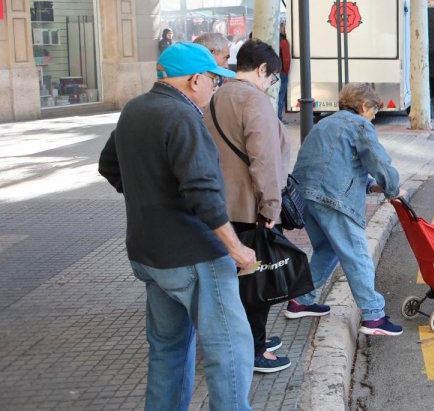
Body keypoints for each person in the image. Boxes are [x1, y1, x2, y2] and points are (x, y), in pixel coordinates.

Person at [98, 42, 254, 410]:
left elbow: (108, 166)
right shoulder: (183, 117)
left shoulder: (135, 109)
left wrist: (150, 196)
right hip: (195, 256)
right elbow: (203, 192)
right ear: (195, 80)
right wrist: (236, 248)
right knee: (229, 350)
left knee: (167, 351)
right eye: (215, 81)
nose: (216, 89)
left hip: (149, 255)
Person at [286, 83, 405, 336]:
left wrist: (372, 187)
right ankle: (374, 316)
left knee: (327, 249)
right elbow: (378, 161)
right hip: (333, 199)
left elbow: (334, 164)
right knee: (357, 254)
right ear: (364, 106)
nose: (374, 115)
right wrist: (393, 188)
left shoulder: (324, 124)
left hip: (304, 196)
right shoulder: (360, 125)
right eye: (374, 110)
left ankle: (301, 300)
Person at [202, 39, 292, 373]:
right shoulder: (254, 100)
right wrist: (271, 206)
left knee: (239, 282)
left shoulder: (216, 96)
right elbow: (264, 159)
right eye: (273, 78)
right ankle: (255, 352)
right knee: (258, 283)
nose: (271, 85)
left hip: (222, 207)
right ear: (262, 69)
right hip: (252, 209)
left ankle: (249, 341)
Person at [278, 25, 291, 120]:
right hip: (282, 72)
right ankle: (278, 117)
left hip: (272, 71)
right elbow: (286, 59)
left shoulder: (274, 40)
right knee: (281, 96)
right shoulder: (283, 42)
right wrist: (286, 71)